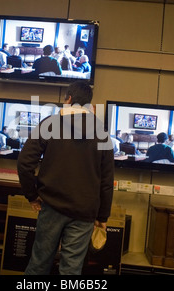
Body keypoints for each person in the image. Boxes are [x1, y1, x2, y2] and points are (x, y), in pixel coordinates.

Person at [17, 81, 114, 275]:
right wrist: (102, 216)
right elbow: (106, 180)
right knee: (71, 270)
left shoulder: (50, 124)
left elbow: (24, 163)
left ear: (68, 99)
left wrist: (32, 195)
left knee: (39, 264)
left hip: (52, 205)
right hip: (85, 211)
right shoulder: (102, 134)